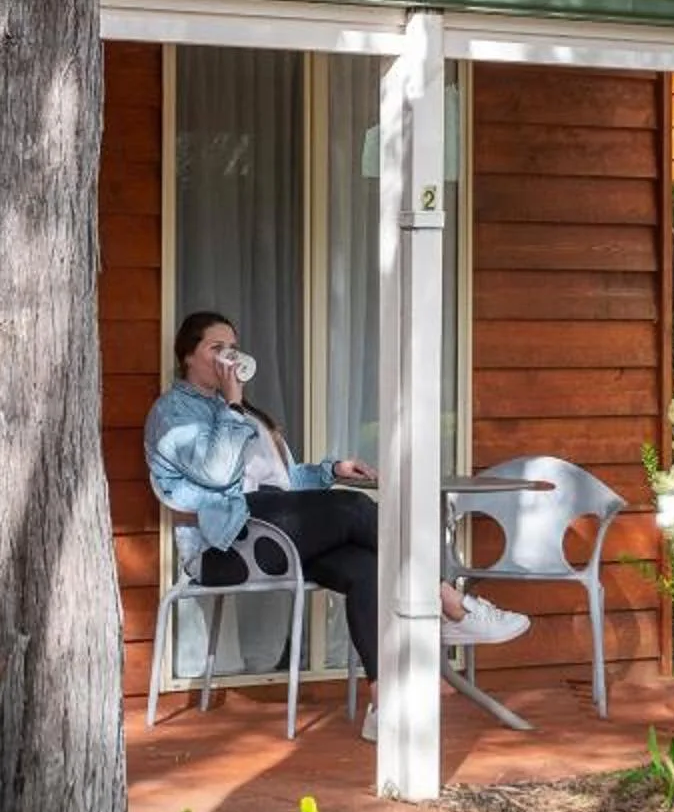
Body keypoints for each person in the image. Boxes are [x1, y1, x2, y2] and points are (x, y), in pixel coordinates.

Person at [143, 308, 528, 739]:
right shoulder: (174, 411)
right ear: (187, 356)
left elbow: (284, 485)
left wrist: (331, 471)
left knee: (364, 568)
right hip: (225, 548)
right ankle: (450, 601)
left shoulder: (241, 411)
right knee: (351, 510)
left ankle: (383, 707)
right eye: (216, 349)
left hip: (274, 530)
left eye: (232, 348)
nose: (227, 358)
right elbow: (216, 473)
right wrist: (232, 404)